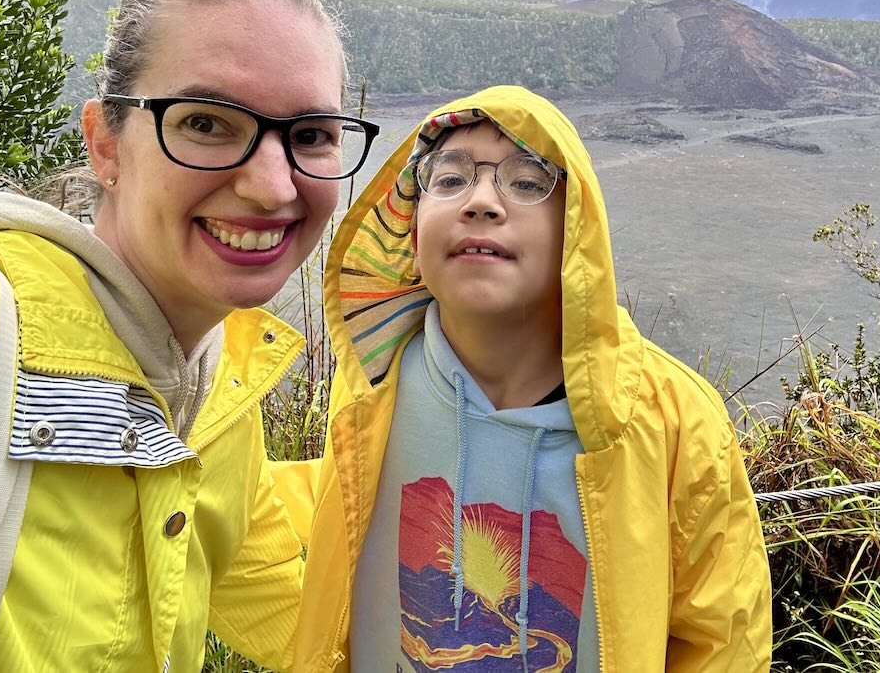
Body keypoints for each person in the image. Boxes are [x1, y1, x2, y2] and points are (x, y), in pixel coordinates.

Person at [0, 0, 378, 671]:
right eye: (206, 123)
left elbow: (311, 631)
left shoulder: (216, 399)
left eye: (311, 135)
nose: (270, 186)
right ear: (106, 145)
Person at [284, 85, 771, 671]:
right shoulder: (373, 379)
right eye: (449, 178)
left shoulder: (672, 420)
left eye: (526, 181)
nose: (481, 201)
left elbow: (723, 643)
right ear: (410, 226)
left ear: (576, 231)